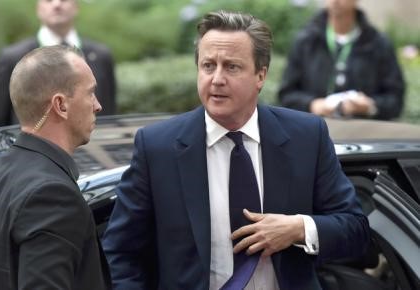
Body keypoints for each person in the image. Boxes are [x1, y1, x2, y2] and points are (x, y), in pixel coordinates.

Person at [102, 10, 370, 290]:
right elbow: (120, 251)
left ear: (260, 75)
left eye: (231, 67)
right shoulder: (158, 147)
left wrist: (298, 229)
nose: (217, 79)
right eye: (208, 66)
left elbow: (355, 229)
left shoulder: (306, 136)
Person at [0, 46, 111, 289]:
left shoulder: (0, 169)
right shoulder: (53, 195)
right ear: (61, 105)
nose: (98, 105)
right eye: (90, 93)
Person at [0, 0, 116, 127]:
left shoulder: (101, 56)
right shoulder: (13, 58)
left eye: (64, 0)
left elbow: (109, 113)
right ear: (38, 8)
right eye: (48, 0)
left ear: (76, 6)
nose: (57, 4)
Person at [278, 0, 405, 120]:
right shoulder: (306, 41)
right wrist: (312, 104)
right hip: (313, 132)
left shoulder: (378, 44)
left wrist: (370, 106)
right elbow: (286, 94)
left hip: (363, 134)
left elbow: (395, 99)